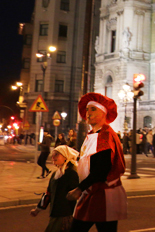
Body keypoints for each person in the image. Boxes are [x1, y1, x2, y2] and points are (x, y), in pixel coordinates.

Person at [67, 93, 127, 232]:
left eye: (93, 109)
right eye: (87, 110)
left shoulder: (104, 135)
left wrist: (79, 189)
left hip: (103, 194)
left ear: (104, 113)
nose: (88, 113)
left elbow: (101, 169)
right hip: (92, 192)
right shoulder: (93, 134)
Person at [30, 145, 80, 232]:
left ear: (65, 157)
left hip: (64, 216)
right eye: (53, 155)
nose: (53, 157)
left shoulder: (71, 174)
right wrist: (37, 209)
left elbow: (76, 196)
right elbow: (48, 194)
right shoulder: (55, 175)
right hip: (54, 215)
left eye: (57, 154)